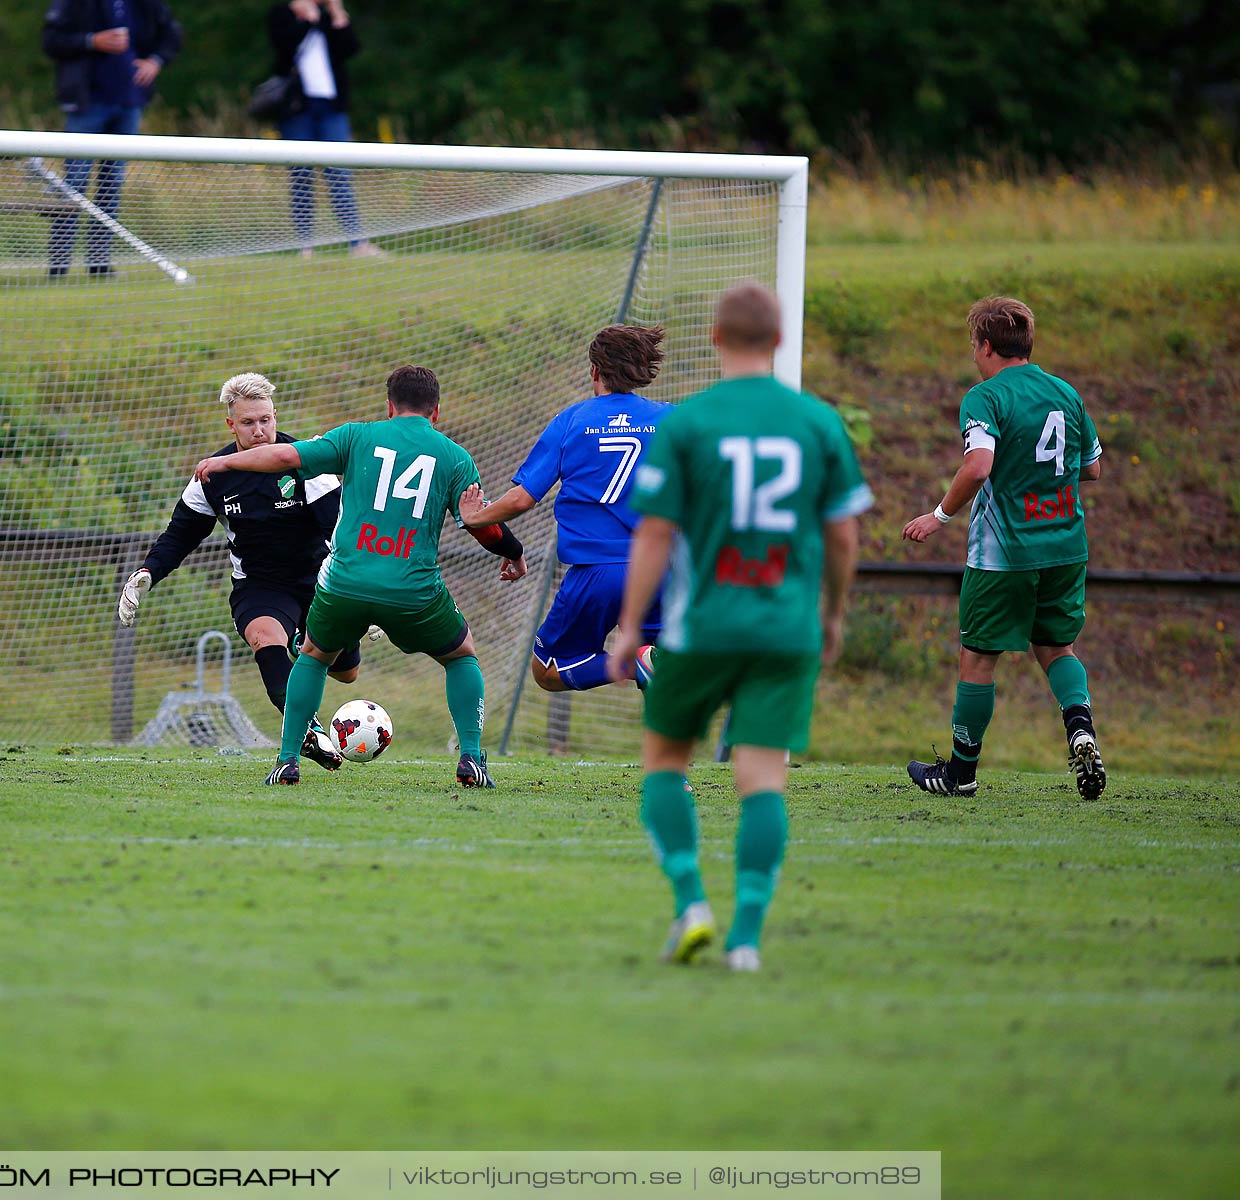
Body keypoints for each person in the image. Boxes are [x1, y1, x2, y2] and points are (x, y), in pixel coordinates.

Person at [609, 282, 872, 972]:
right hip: (786, 629)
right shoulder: (817, 422)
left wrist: (630, 625)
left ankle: (692, 904)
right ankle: (748, 938)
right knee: (762, 778)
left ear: (718, 340)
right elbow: (843, 533)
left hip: (701, 628)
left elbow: (656, 532)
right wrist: (834, 612)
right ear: (780, 340)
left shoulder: (688, 424)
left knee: (665, 764)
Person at [194, 365, 528, 787]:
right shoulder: (454, 457)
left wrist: (224, 462)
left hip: (345, 583)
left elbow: (283, 456)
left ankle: (287, 760)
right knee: (461, 654)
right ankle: (472, 759)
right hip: (413, 587)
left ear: (389, 406)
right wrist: (513, 553)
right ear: (436, 412)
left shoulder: (356, 436)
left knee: (313, 656)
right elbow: (480, 522)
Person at [901, 296, 1106, 801]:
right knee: (1057, 649)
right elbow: (1093, 468)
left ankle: (960, 775)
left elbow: (978, 466)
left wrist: (939, 516)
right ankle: (1080, 730)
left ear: (987, 346)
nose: (974, 356)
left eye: (974, 346)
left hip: (1004, 555)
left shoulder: (986, 397)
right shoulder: (1065, 393)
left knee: (977, 659)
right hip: (1065, 546)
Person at [118, 371, 358, 770]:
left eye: (266, 420)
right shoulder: (213, 476)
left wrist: (358, 590)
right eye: (248, 422)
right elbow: (179, 536)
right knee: (265, 638)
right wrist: (147, 573)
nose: (260, 430)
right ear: (232, 424)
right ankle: (308, 731)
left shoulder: (305, 462)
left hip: (320, 581)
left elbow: (338, 528)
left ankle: (303, 643)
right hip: (260, 585)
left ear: (275, 415)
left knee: (347, 673)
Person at [460, 324, 673, 694]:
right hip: (659, 567)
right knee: (665, 665)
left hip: (597, 572)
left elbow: (523, 498)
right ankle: (670, 748)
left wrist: (476, 515)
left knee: (547, 671)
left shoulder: (572, 420)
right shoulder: (670, 419)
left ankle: (629, 664)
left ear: (594, 370)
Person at [40, 0, 182, 275]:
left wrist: (156, 61)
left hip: (130, 101)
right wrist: (92, 41)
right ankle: (58, 263)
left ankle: (99, 262)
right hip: (87, 102)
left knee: (112, 185)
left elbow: (172, 33)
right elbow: (50, 40)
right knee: (74, 182)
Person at [267, 0, 378, 257]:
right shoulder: (283, 13)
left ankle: (357, 243)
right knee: (301, 175)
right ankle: (306, 246)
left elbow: (350, 48)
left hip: (331, 107)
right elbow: (283, 48)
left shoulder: (329, 17)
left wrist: (337, 14)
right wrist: (306, 19)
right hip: (297, 108)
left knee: (340, 173)